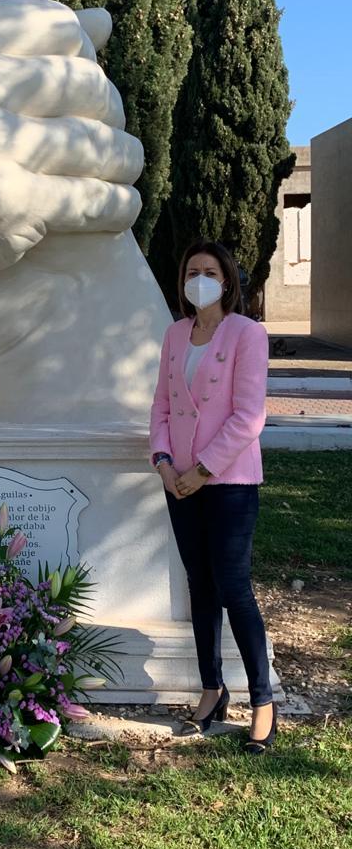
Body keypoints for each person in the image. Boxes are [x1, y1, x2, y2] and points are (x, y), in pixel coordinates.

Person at [150, 240, 277, 754]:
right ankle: (211, 689)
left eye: (209, 271)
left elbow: (249, 415)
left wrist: (202, 470)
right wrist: (162, 462)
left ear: (226, 281)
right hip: (179, 481)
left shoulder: (248, 334)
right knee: (199, 587)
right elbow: (160, 405)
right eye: (191, 271)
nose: (199, 278)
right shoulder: (175, 334)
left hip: (227, 482)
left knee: (233, 588)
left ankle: (263, 702)